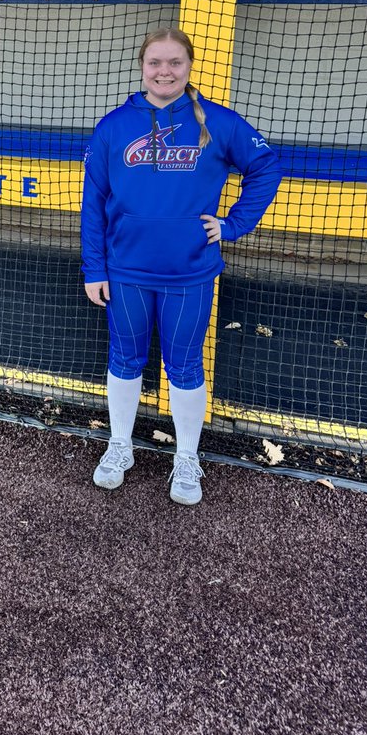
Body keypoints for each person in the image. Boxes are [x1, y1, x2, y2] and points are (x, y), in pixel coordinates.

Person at [81, 27, 282, 505]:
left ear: (189, 66)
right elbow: (94, 202)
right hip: (126, 272)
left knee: (185, 366)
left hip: (190, 273)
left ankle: (187, 457)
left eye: (175, 62)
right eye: (155, 62)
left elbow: (266, 167)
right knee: (124, 360)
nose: (164, 71)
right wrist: (95, 268)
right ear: (142, 66)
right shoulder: (113, 126)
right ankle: (120, 446)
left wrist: (232, 225)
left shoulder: (219, 122)